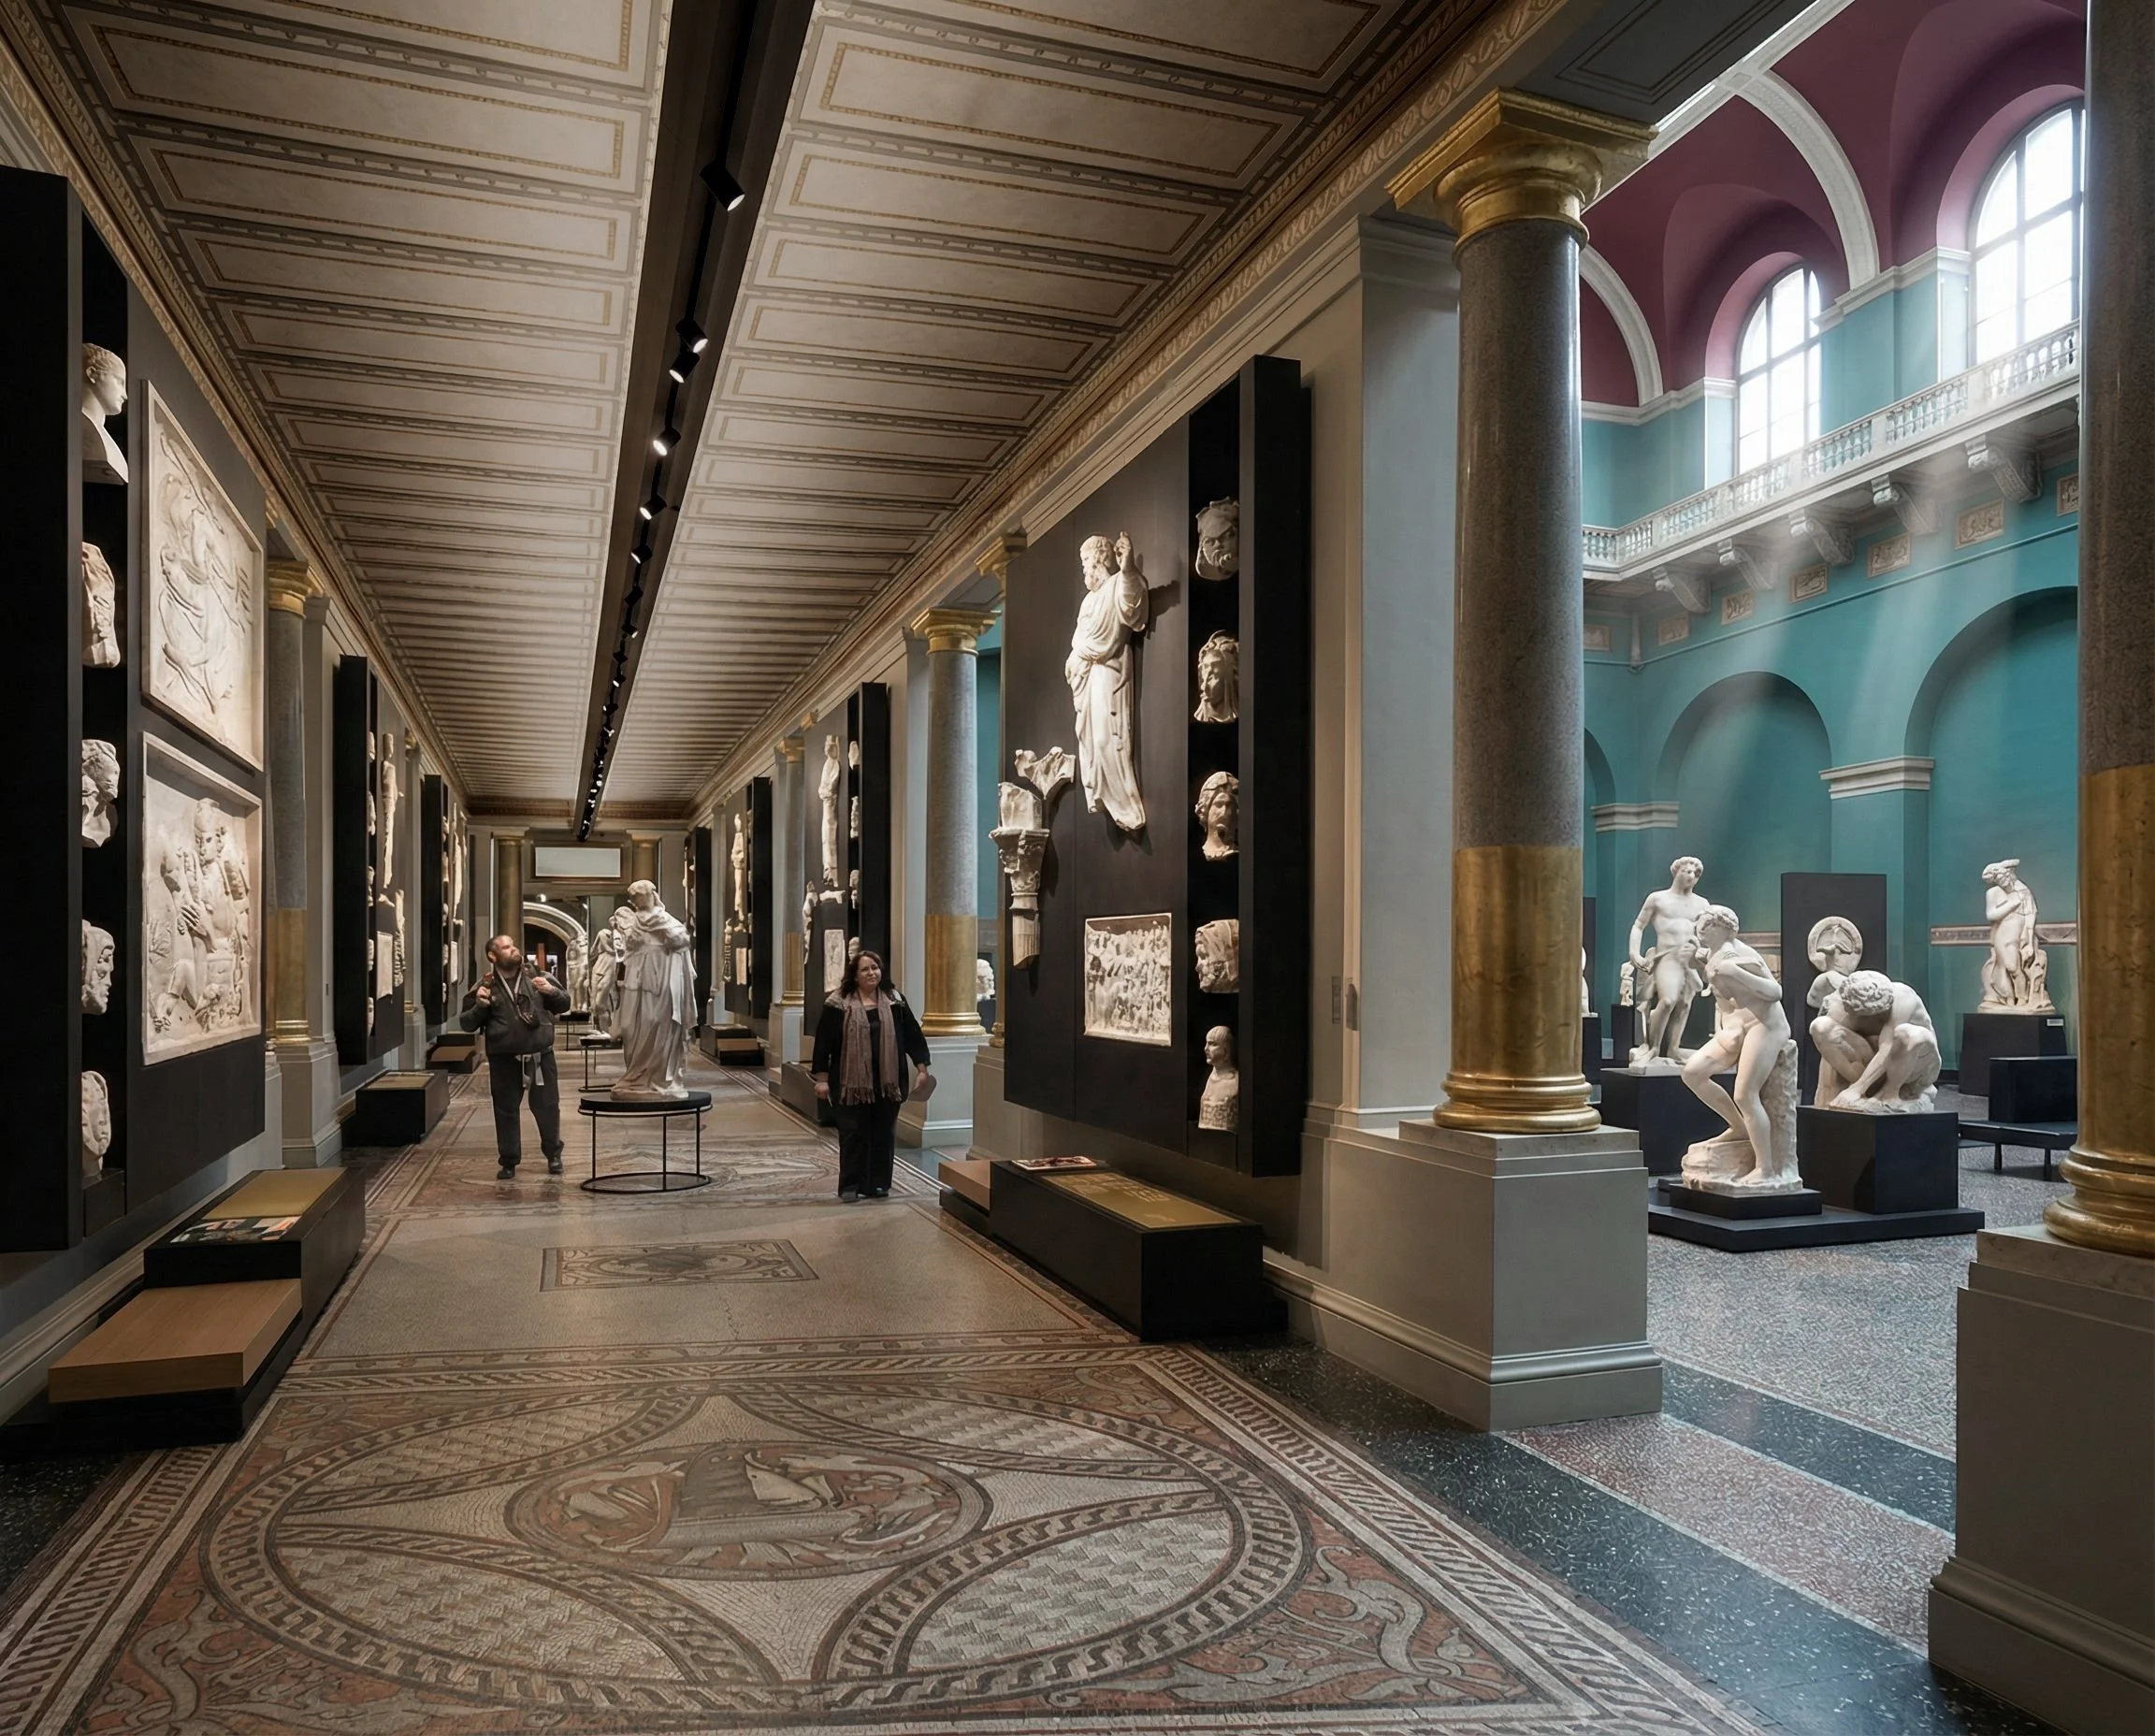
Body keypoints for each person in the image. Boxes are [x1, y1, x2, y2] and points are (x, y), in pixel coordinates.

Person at [811, 948, 931, 1201]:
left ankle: (878, 1183)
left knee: (883, 1134)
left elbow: (912, 1036)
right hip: (850, 1083)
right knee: (853, 1133)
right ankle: (851, 1186)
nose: (871, 973)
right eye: (865, 969)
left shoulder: (895, 1000)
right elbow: (824, 1043)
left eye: (875, 968)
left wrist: (922, 1068)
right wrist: (821, 1079)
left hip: (888, 1082)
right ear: (854, 975)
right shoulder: (838, 1003)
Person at [461, 933, 571, 1179]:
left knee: (547, 1108)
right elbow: (466, 1023)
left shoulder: (538, 977)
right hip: (504, 1060)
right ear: (493, 955)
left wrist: (551, 991)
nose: (514, 949)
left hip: (540, 1058)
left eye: (513, 946)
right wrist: (480, 1006)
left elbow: (565, 1004)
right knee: (506, 1111)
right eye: (506, 947)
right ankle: (509, 1161)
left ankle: (554, 1154)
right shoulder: (485, 985)